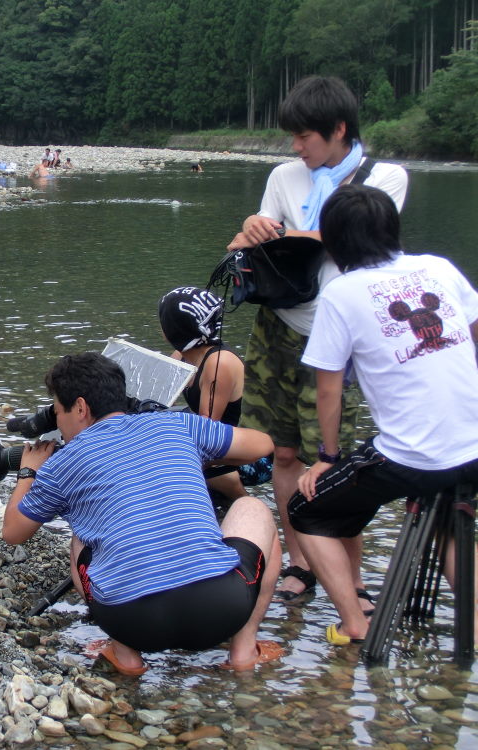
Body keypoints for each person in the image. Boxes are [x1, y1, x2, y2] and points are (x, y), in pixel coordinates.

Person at [226, 75, 409, 603]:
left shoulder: (384, 177)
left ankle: (352, 580)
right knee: (283, 454)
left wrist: (280, 232)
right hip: (278, 325)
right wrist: (252, 227)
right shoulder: (284, 176)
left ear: (339, 129)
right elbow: (247, 244)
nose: (296, 147)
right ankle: (301, 562)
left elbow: (351, 237)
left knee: (339, 462)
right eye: (293, 135)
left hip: (340, 332)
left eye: (304, 136)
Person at [1, 352, 282, 673]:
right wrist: (197, 454)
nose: (59, 425)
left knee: (82, 537)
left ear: (80, 407)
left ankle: (127, 657)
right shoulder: (178, 424)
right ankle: (243, 652)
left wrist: (28, 472)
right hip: (221, 611)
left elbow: (13, 532)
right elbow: (263, 445)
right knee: (252, 507)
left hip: (131, 623)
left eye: (57, 412)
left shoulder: (61, 465)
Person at [290, 184, 478, 645]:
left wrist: (327, 457)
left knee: (306, 510)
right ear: (392, 229)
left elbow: (328, 389)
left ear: (333, 242)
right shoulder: (439, 267)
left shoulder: (340, 293)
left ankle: (354, 623)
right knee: (445, 515)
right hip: (473, 446)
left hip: (412, 458)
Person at [158, 286, 248, 502]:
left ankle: (239, 498)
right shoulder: (181, 355)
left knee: (171, 465)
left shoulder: (219, 363)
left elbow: (207, 431)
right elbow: (158, 398)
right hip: (213, 437)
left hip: (245, 451)